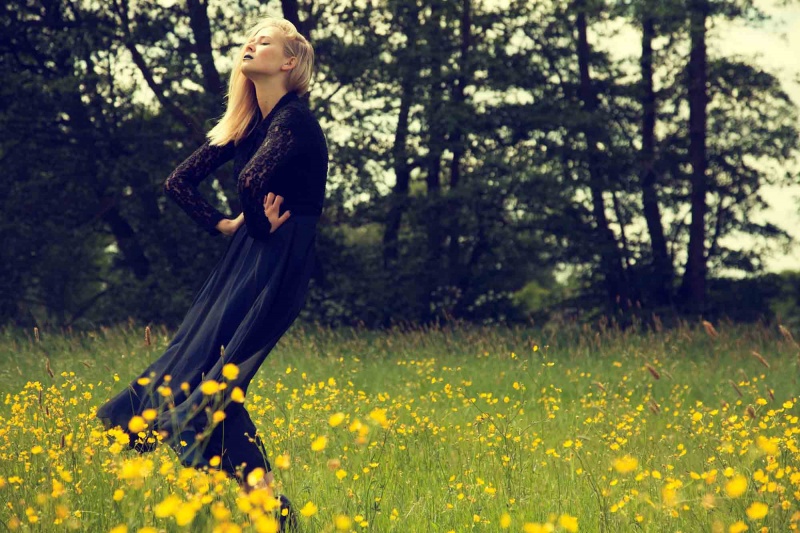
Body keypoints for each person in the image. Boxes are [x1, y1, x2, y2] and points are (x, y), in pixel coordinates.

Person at [95, 16, 327, 530]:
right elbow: (178, 182)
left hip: (279, 257)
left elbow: (251, 178)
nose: (251, 44)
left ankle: (270, 510)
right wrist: (225, 225)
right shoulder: (249, 125)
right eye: (250, 39)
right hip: (250, 254)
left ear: (289, 62)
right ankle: (271, 511)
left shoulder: (295, 120)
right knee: (208, 378)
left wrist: (256, 230)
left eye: (264, 42)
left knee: (218, 381)